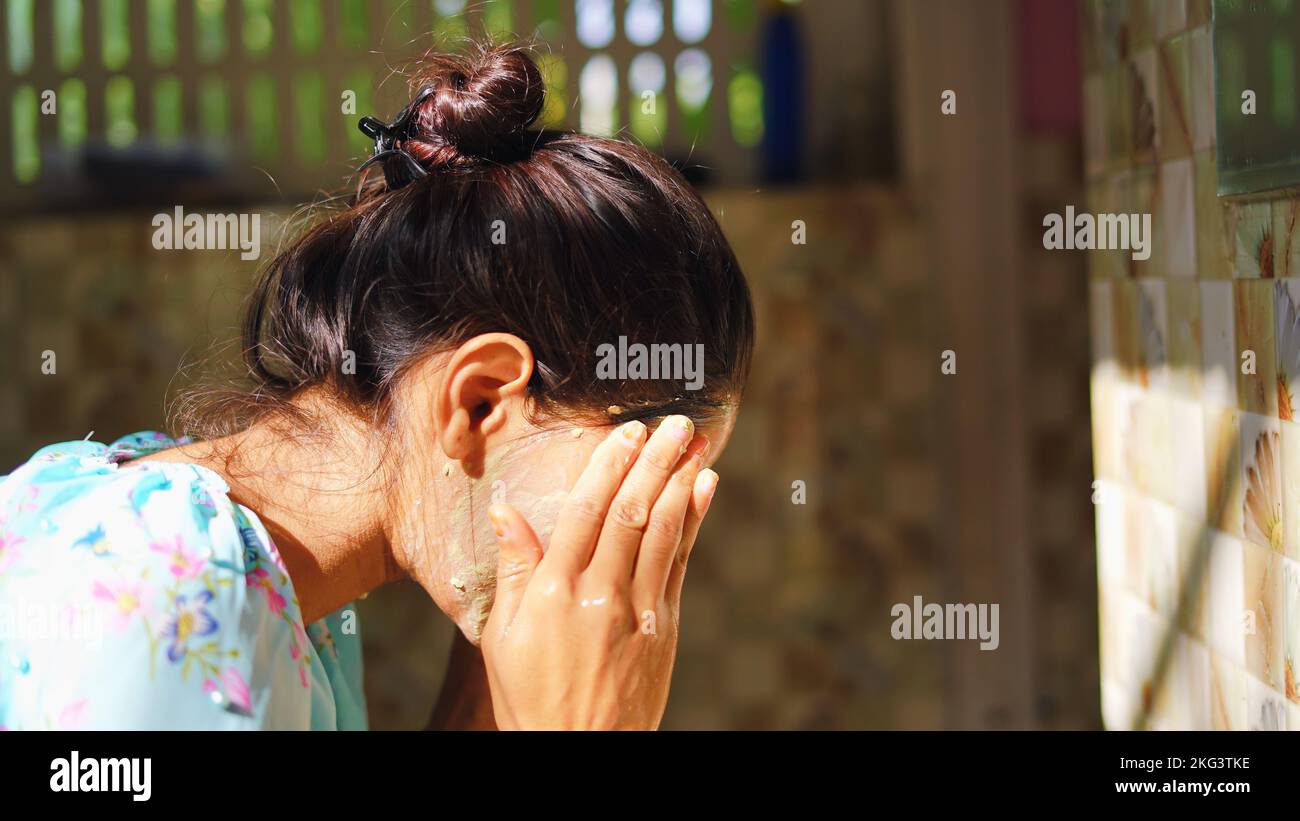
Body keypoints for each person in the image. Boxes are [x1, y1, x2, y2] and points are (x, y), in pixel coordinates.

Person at [0, 43, 753, 730]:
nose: (637, 575)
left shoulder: (259, 576)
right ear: (479, 401)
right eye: (636, 493)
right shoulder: (167, 599)